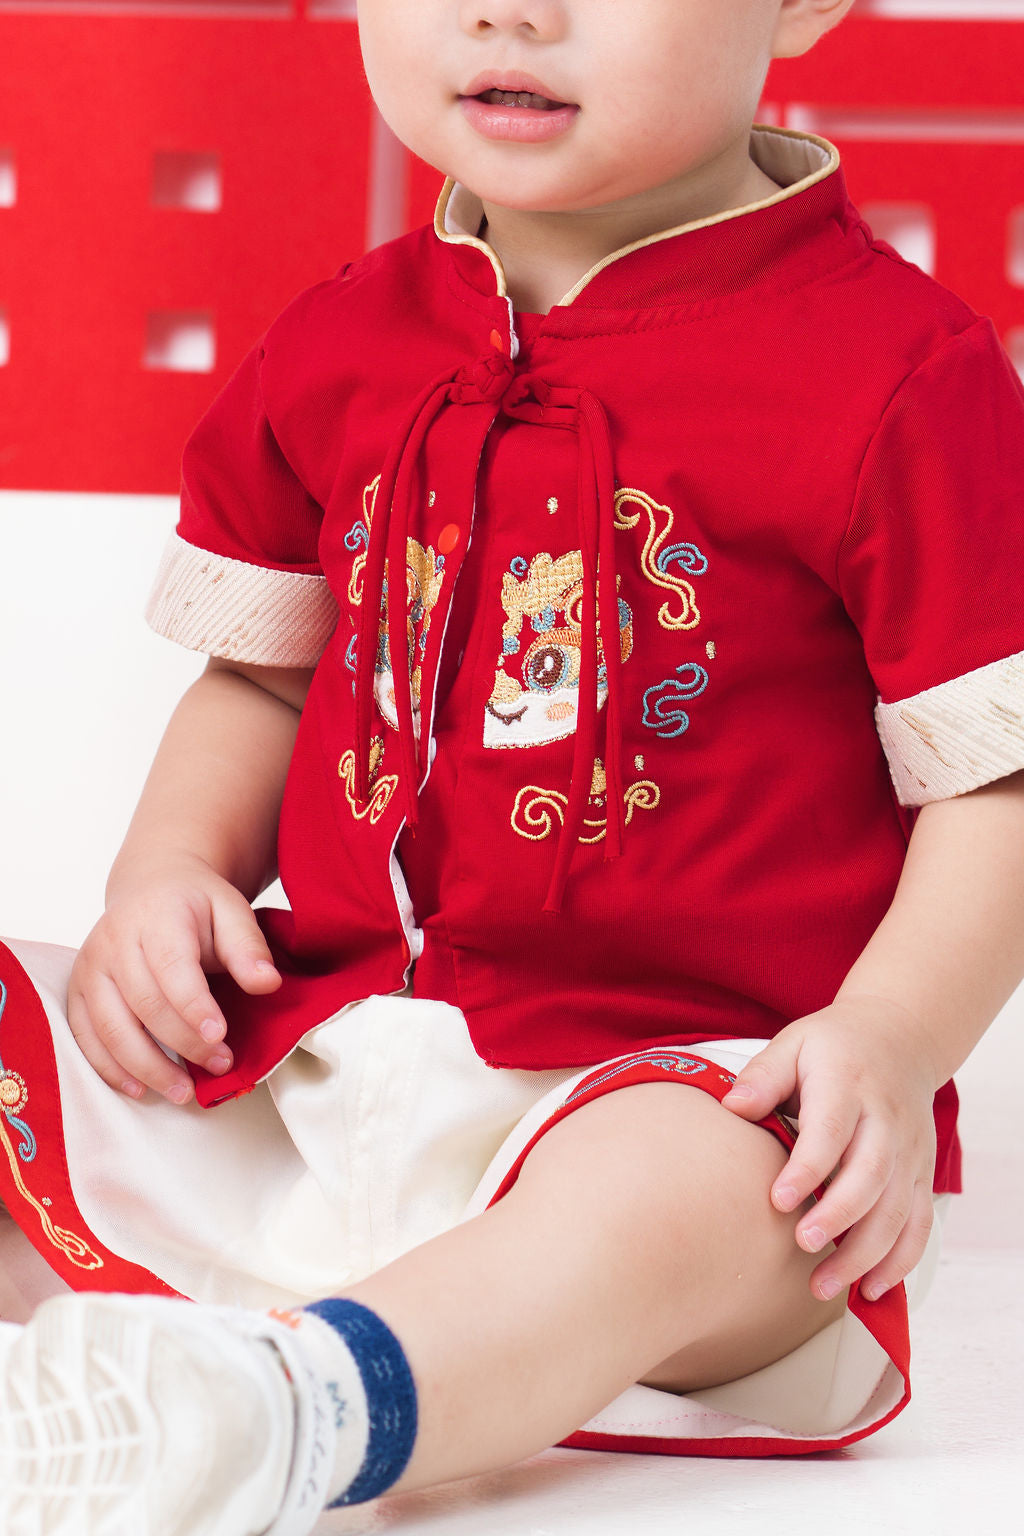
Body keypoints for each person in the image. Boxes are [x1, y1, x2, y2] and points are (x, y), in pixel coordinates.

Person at [2, 0, 1024, 1530]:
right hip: (322, 1049)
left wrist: (889, 1038)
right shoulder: (345, 333)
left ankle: (296, 1410)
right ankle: (209, 1333)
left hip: (681, 1088)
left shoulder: (899, 371)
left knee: (697, 1198)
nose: (510, 13)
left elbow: (992, 783)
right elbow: (266, 675)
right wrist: (171, 869)